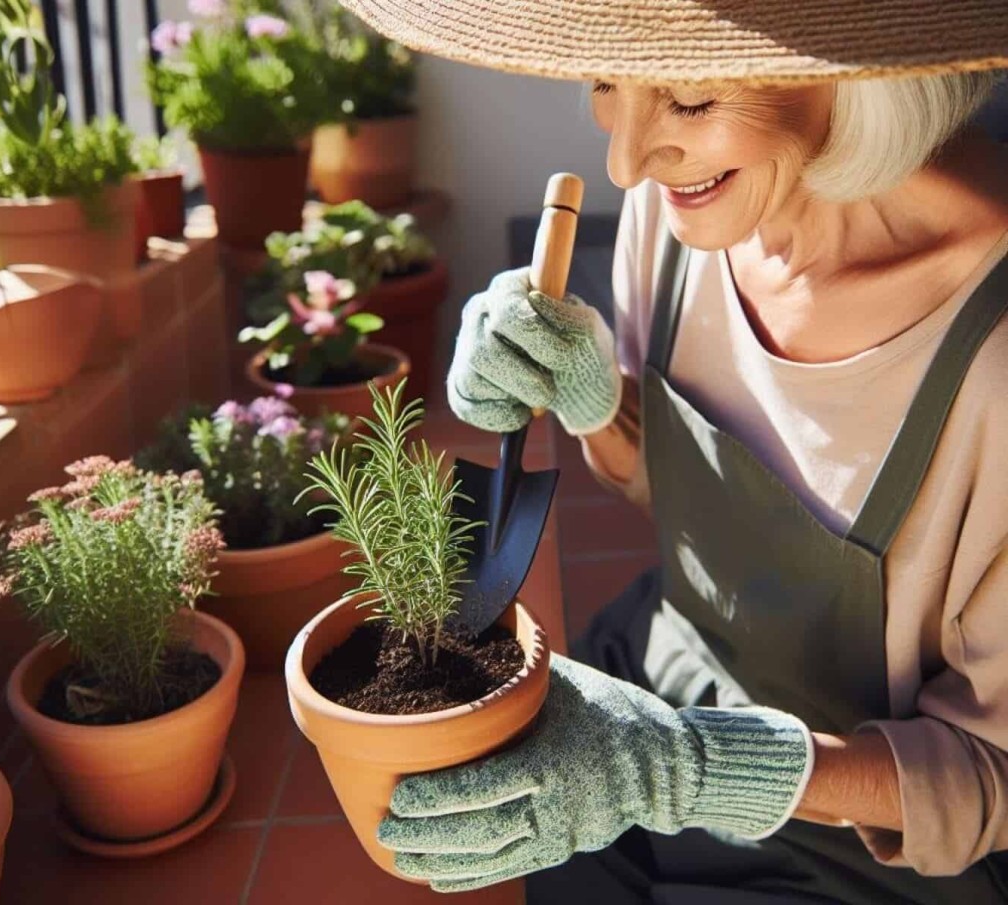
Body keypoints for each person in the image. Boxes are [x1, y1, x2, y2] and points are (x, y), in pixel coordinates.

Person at [338, 1, 1008, 901]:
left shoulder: (992, 361)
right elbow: (687, 501)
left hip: (856, 847)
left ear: (852, 77)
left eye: (689, 98)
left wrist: (686, 771)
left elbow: (987, 780)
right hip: (651, 686)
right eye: (611, 82)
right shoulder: (686, 210)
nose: (625, 160)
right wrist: (590, 400)